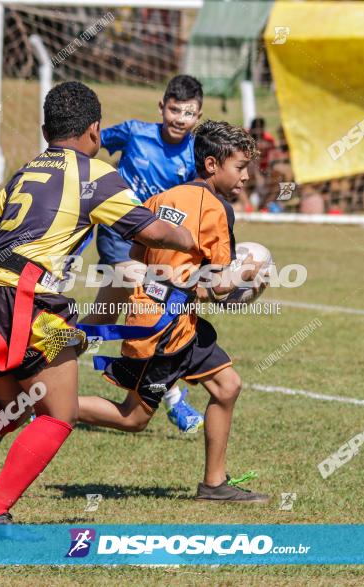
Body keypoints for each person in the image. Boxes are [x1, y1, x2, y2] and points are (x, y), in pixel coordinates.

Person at [0, 81, 194, 524]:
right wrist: (193, 239)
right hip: (24, 299)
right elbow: (155, 232)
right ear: (95, 132)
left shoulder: (27, 171)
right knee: (59, 414)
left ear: (47, 130)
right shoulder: (95, 174)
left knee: (13, 407)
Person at [77, 120, 269, 503]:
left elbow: (138, 258)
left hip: (170, 318)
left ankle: (214, 485)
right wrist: (249, 275)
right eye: (240, 166)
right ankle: (47, 399)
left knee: (227, 385)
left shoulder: (161, 199)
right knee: (133, 418)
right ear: (212, 165)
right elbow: (218, 287)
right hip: (164, 329)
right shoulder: (218, 210)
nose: (247, 176)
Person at [84, 74, 206, 432]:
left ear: (198, 116)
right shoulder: (135, 132)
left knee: (97, 320)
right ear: (161, 107)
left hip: (158, 244)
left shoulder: (194, 153)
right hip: (119, 234)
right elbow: (90, 145)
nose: (180, 119)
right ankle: (174, 399)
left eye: (189, 113)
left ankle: (37, 376)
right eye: (174, 110)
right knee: (150, 304)